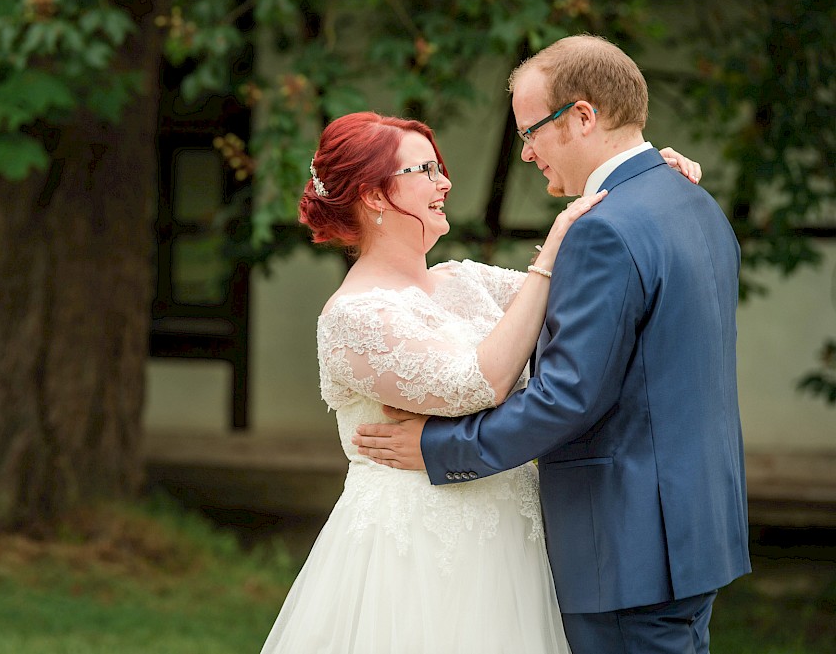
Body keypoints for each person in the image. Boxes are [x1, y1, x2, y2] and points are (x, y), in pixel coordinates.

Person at [353, 35, 750, 654]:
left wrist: (438, 446)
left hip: (627, 548)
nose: (528, 152)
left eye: (531, 131)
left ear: (583, 116)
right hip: (693, 532)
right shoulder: (693, 203)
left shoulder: (606, 230)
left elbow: (568, 398)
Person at [261, 108, 702, 653]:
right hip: (414, 554)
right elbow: (477, 384)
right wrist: (556, 238)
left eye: (439, 166)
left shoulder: (465, 280)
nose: (444, 181)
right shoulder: (353, 318)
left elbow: (590, 287)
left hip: (512, 541)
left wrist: (644, 186)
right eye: (423, 171)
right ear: (374, 196)